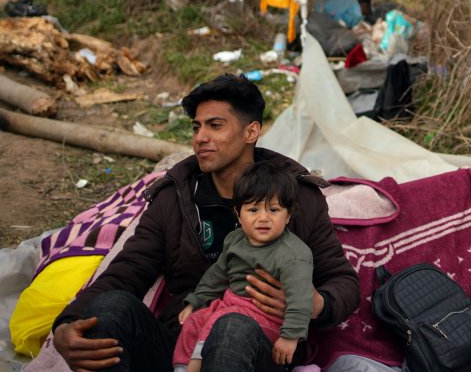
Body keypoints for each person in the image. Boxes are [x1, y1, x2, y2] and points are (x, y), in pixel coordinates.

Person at [51, 74, 360, 371]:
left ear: (251, 132)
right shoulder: (175, 197)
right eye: (196, 127)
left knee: (232, 328)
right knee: (109, 310)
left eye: (215, 125)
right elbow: (127, 270)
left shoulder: (297, 196)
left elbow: (342, 280)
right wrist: (68, 323)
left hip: (262, 345)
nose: (200, 138)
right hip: (183, 345)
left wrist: (315, 303)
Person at [174, 162, 313, 372]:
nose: (263, 218)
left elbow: (301, 300)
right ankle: (181, 367)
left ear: (288, 215)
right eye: (253, 209)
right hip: (231, 306)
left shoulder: (293, 254)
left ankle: (195, 366)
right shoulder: (235, 240)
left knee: (225, 322)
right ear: (238, 214)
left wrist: (290, 336)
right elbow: (217, 275)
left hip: (269, 321)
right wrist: (195, 301)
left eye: (274, 210)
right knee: (196, 320)